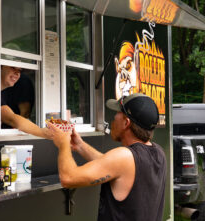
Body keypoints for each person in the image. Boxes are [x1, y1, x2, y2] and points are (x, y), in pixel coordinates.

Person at [48, 93, 166, 221]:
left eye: (117, 113)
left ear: (126, 123)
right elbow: (110, 165)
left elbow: (68, 178)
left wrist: (63, 143)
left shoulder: (124, 156)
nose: (113, 119)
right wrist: (80, 146)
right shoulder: (158, 153)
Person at [0, 65, 50, 139]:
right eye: (13, 68)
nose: (17, 73)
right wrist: (47, 133)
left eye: (19, 70)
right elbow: (11, 118)